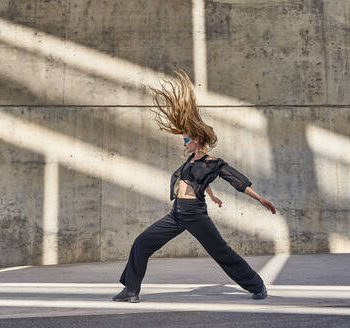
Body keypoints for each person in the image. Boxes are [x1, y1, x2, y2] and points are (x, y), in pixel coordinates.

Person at [112, 69, 276, 303]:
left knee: (222, 252)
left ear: (198, 140)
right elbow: (195, 182)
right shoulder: (190, 162)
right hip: (176, 213)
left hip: (195, 215)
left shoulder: (214, 163)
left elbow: (237, 181)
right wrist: (211, 195)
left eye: (187, 139)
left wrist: (259, 199)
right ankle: (131, 290)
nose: (184, 141)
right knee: (142, 243)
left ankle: (257, 285)